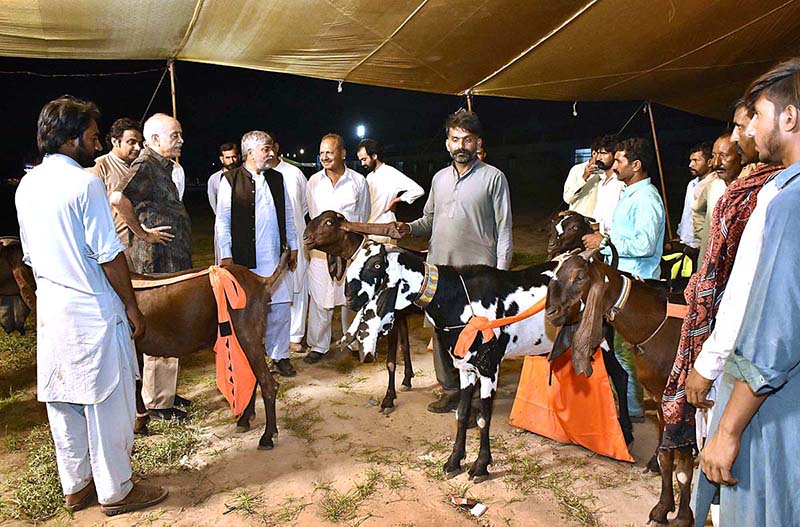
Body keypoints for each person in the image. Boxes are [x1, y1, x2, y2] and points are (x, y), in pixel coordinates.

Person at [16, 96, 167, 516]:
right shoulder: (84, 183)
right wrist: (132, 307)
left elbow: (30, 257)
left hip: (52, 313)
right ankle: (117, 490)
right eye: (93, 136)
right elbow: (108, 252)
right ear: (70, 138)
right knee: (108, 404)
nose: (97, 143)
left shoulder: (27, 185)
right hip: (92, 312)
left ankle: (76, 488)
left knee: (64, 401)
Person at [692, 60, 800, 527]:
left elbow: (772, 333)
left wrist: (728, 430)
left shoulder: (788, 203)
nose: (747, 130)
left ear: (789, 118)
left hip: (773, 410)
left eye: (756, 115)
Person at [396, 111, 513, 413]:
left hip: (477, 275)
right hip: (439, 270)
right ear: (448, 143)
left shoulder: (494, 178)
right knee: (439, 328)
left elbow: (504, 230)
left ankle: (474, 398)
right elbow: (430, 220)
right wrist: (408, 228)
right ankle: (449, 389)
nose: (461, 145)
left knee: (475, 333)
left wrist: (500, 277)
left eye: (467, 139)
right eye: (455, 139)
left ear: (478, 142)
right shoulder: (439, 179)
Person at [110, 113, 192, 420]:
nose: (181, 140)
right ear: (154, 140)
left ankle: (165, 394)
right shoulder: (145, 166)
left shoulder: (163, 167)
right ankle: (158, 402)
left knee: (171, 324)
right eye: (175, 135)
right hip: (157, 263)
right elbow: (118, 198)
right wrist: (142, 232)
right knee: (162, 326)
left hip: (170, 261)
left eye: (180, 134)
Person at [583, 137, 665, 421]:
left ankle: (631, 410)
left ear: (637, 165)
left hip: (638, 287)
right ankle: (626, 407)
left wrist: (605, 241)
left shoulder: (647, 198)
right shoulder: (629, 193)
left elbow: (644, 244)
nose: (615, 166)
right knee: (619, 348)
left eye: (619, 161)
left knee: (627, 350)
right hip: (623, 284)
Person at [216, 131, 298, 377]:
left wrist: (293, 246)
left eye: (271, 148)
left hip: (276, 258)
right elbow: (223, 221)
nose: (271, 153)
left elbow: (288, 215)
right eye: (265, 149)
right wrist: (227, 256)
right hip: (245, 260)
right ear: (250, 152)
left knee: (281, 308)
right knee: (248, 312)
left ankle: (279, 355)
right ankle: (249, 359)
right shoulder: (230, 180)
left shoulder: (277, 178)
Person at [305, 133, 370, 364]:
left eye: (329, 152)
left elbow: (363, 215)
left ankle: (353, 341)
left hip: (349, 252)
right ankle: (318, 346)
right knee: (321, 296)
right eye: (321, 152)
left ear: (343, 153)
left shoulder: (358, 182)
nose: (325, 157)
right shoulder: (313, 182)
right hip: (322, 254)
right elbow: (312, 216)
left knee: (351, 298)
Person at [265, 133, 309, 353]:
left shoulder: (294, 174)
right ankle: (273, 337)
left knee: (299, 285)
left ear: (276, 147)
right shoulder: (258, 176)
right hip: (270, 244)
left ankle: (296, 335)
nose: (267, 152)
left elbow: (304, 206)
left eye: (269, 146)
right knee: (275, 288)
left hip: (296, 238)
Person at [87, 118, 143, 250]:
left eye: (140, 143)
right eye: (131, 142)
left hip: (143, 245)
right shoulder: (99, 167)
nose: (137, 148)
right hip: (117, 247)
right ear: (115, 141)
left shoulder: (140, 167)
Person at [357, 138, 424, 243]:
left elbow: (418, 190)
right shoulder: (369, 177)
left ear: (374, 156)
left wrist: (397, 199)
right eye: (360, 160)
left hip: (385, 231)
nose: (362, 164)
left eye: (364, 159)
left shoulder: (391, 173)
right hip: (369, 229)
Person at [694, 133, 743, 262]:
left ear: (740, 155)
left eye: (724, 156)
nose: (716, 163)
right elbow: (697, 210)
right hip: (709, 261)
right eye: (714, 156)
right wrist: (706, 235)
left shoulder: (750, 188)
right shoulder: (712, 187)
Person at [207, 142, 241, 264]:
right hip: (224, 225)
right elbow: (214, 204)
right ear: (222, 159)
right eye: (228, 157)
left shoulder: (246, 177)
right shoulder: (214, 179)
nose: (231, 160)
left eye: (234, 157)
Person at [562, 135, 611, 217]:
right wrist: (584, 177)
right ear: (594, 153)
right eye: (601, 153)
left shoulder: (608, 172)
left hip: (598, 222)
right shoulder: (577, 170)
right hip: (578, 222)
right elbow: (567, 198)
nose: (601, 158)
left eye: (605, 154)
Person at [676, 142, 712, 248]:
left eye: (696, 160)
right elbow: (686, 213)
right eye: (691, 160)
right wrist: (681, 234)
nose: (690, 165)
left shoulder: (713, 186)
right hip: (686, 242)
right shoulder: (691, 184)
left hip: (701, 244)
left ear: (709, 162)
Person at [589, 134, 624, 234]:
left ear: (615, 155)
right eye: (598, 153)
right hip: (597, 236)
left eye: (604, 153)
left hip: (614, 238)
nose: (599, 157)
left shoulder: (621, 182)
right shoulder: (601, 182)